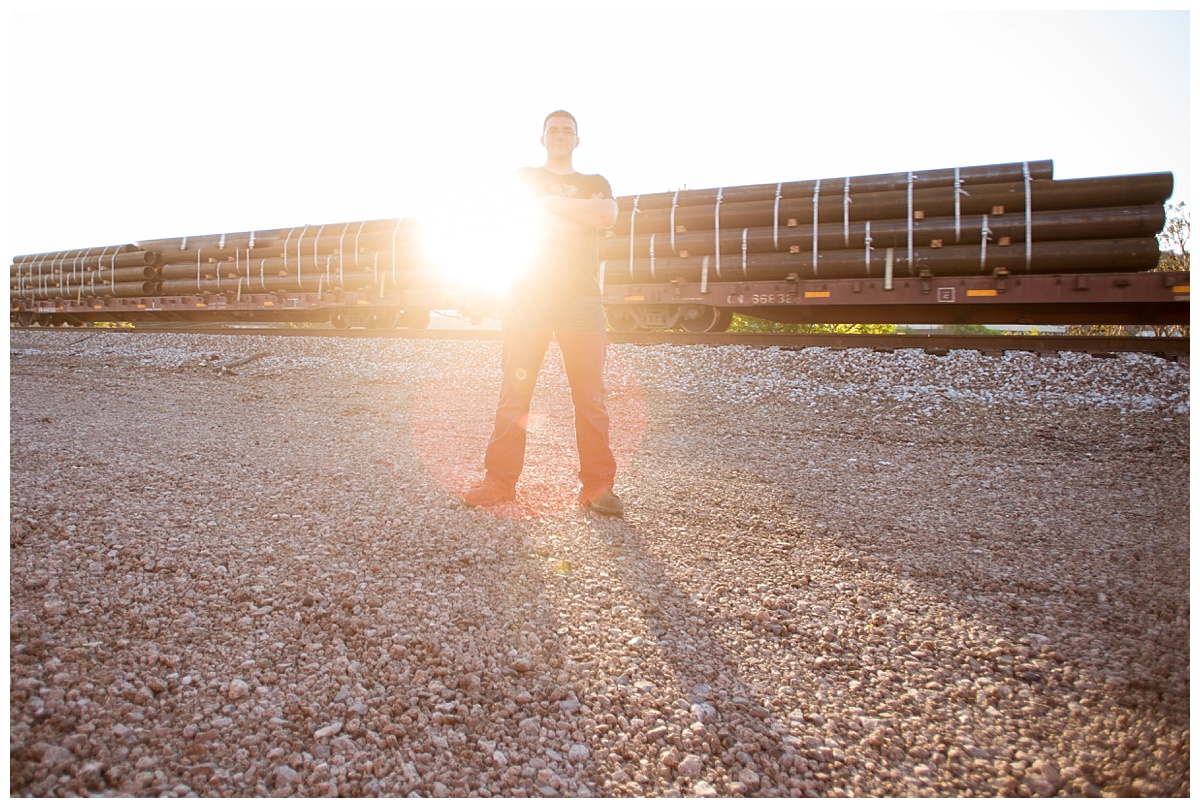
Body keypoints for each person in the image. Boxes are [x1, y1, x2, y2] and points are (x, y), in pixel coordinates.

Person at [462, 110, 624, 517]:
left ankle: (597, 487)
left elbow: (606, 216)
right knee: (514, 395)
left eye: (568, 130)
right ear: (542, 138)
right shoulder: (524, 178)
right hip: (528, 298)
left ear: (578, 140)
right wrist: (577, 215)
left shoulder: (595, 182)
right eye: (553, 130)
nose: (560, 135)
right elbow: (526, 222)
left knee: (590, 398)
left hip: (581, 300)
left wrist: (549, 204)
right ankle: (499, 483)